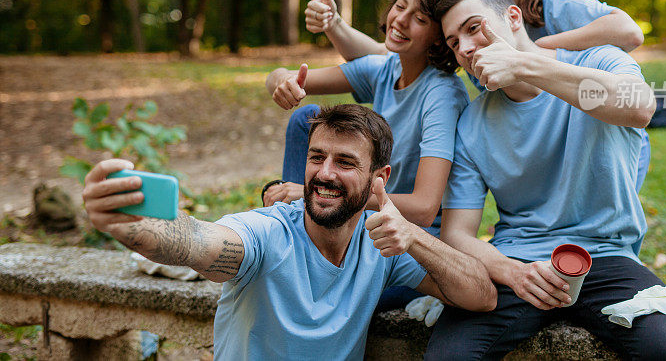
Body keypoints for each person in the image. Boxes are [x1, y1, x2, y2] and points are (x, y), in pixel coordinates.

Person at [83, 104, 497, 361]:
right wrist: (135, 229)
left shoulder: (381, 246)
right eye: (317, 156)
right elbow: (198, 243)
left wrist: (415, 235)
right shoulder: (268, 232)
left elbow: (481, 295)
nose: (325, 173)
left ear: (379, 179)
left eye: (345, 162)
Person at [423, 0, 666, 360]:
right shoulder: (471, 123)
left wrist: (524, 64)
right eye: (454, 43)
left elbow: (639, 108)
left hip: (607, 255)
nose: (466, 49)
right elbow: (457, 234)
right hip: (516, 262)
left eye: (473, 28)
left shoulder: (599, 60)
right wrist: (512, 273)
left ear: (514, 18)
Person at [304, 0, 650, 193]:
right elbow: (387, 54)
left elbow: (628, 31)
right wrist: (336, 27)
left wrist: (532, 50)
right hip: (533, 143)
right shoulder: (463, 19)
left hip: (593, 136)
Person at [265, 0, 468, 311]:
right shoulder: (386, 68)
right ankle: (297, 235)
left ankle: (303, 240)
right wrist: (281, 83)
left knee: (313, 286)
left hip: (410, 239)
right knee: (306, 118)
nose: (400, 20)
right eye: (399, 6)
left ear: (439, 37)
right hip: (365, 218)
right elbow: (287, 75)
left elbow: (423, 207)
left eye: (419, 18)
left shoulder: (442, 94)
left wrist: (313, 192)